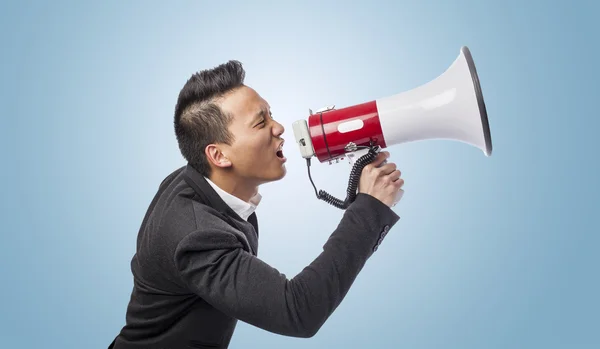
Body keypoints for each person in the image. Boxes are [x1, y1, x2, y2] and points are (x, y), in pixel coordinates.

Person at [108, 60, 404, 349]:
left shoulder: (195, 180)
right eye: (261, 122)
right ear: (219, 156)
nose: (278, 128)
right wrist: (369, 208)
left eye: (270, 115)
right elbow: (298, 312)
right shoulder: (196, 236)